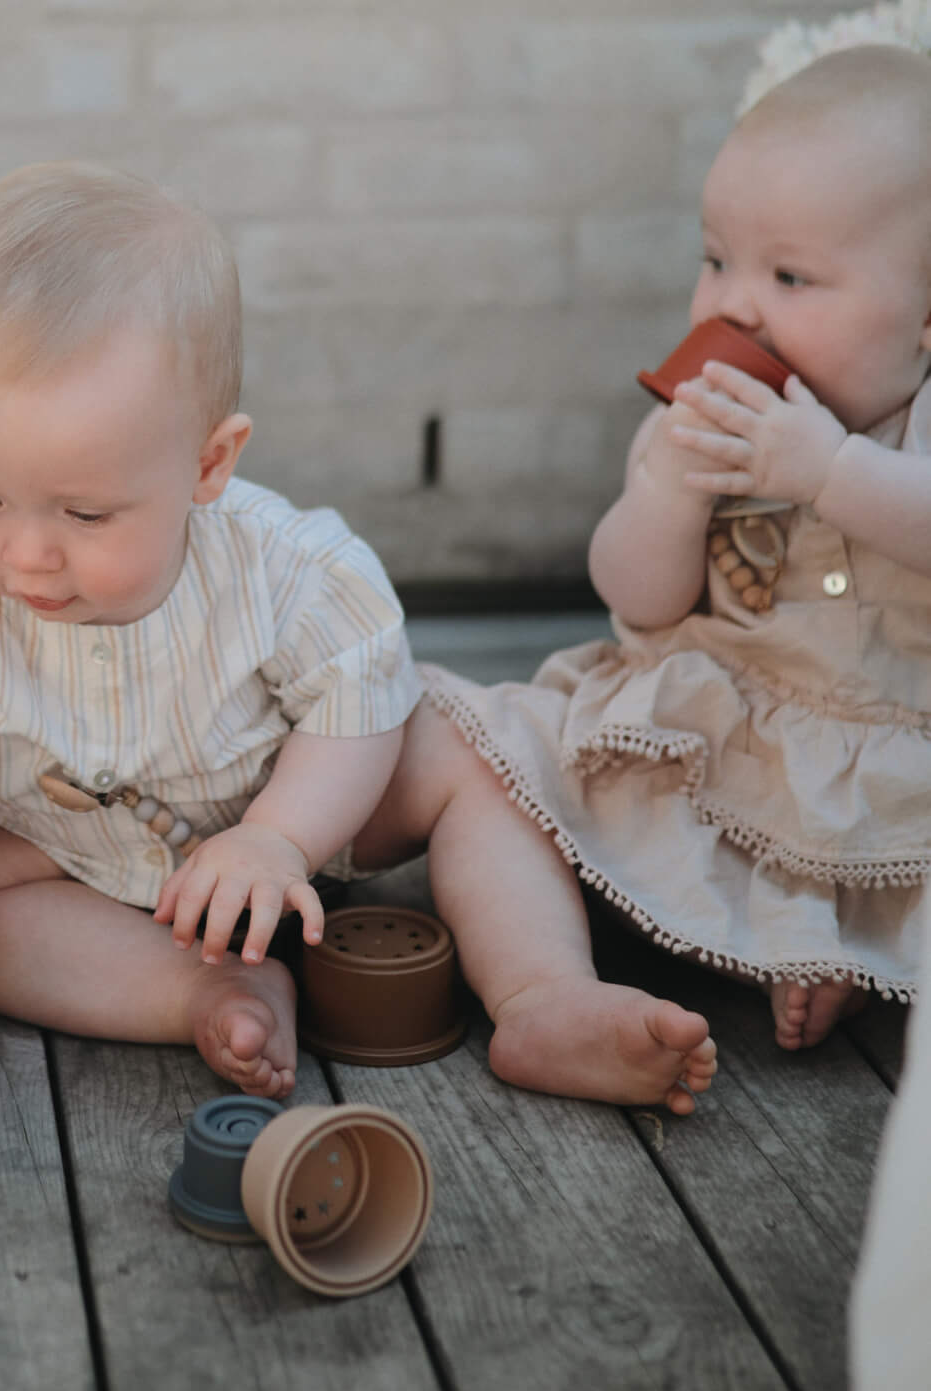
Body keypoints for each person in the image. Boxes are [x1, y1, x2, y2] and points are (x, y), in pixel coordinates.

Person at [351, 41, 931, 1111]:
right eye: (717, 261)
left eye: (789, 276)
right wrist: (664, 489)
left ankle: (828, 945)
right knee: (447, 732)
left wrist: (831, 471)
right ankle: (545, 994)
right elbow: (637, 600)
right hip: (696, 748)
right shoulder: (702, 420)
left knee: (882, 861)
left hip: (886, 787)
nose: (736, 307)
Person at [0, 162, 420, 1099]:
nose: (29, 556)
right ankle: (200, 992)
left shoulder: (279, 567)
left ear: (208, 462)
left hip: (287, 838)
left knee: (448, 743)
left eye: (85, 515)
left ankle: (543, 983)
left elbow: (363, 676)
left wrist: (280, 837)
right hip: (63, 868)